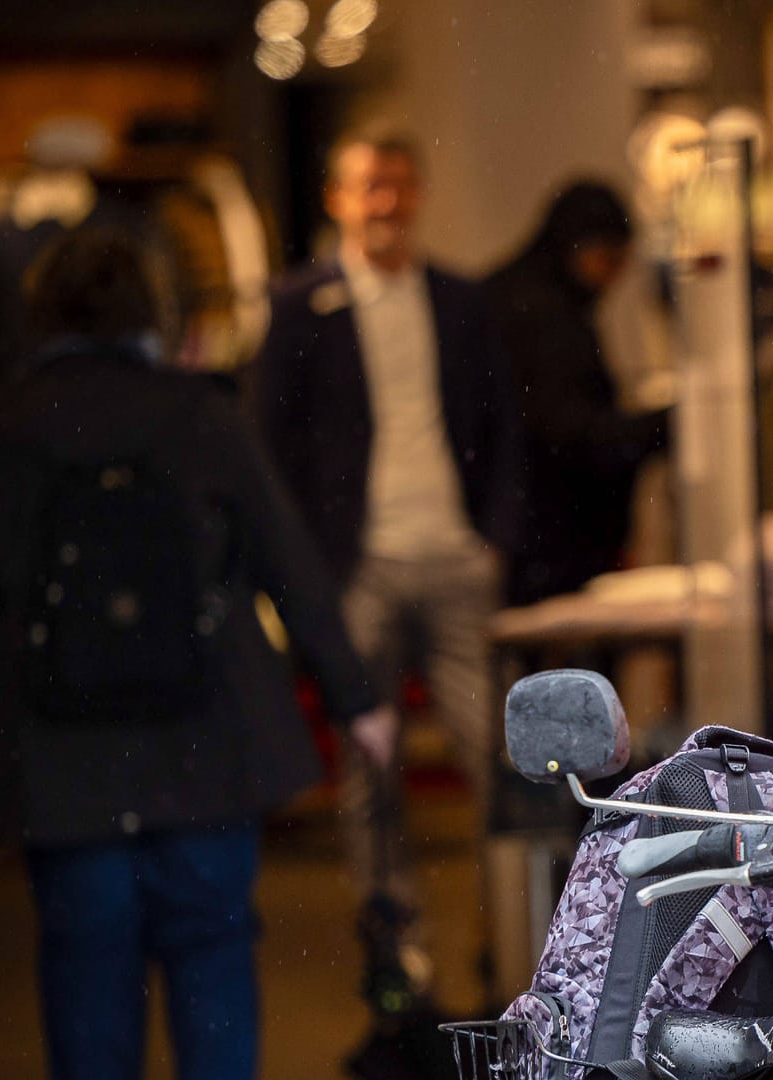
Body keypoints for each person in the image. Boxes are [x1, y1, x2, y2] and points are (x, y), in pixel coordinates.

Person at [0, 225, 393, 1080]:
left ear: (39, 317)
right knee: (214, 962)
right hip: (203, 751)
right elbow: (288, 563)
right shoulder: (203, 418)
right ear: (150, 312)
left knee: (86, 979)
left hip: (60, 766)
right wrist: (356, 699)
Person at [253, 129, 516, 955]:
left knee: (493, 756)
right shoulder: (301, 305)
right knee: (371, 767)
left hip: (454, 557)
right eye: (370, 186)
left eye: (400, 185)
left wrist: (494, 540)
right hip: (358, 565)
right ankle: (393, 943)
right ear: (337, 198)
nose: (387, 203)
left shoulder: (458, 299)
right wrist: (306, 569)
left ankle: (510, 940)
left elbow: (504, 428)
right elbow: (271, 445)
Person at [483, 181, 667, 607]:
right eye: (609, 259)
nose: (614, 277)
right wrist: (665, 425)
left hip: (531, 539)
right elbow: (571, 432)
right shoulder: (543, 317)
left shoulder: (522, 298)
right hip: (549, 546)